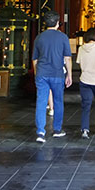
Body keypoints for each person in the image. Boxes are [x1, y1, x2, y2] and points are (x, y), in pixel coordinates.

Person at [32, 10, 72, 143]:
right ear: (57, 23)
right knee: (58, 101)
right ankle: (57, 130)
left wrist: (36, 73)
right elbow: (67, 58)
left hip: (42, 73)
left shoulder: (39, 38)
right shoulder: (63, 37)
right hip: (57, 74)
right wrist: (69, 74)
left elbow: (35, 59)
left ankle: (40, 132)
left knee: (41, 102)